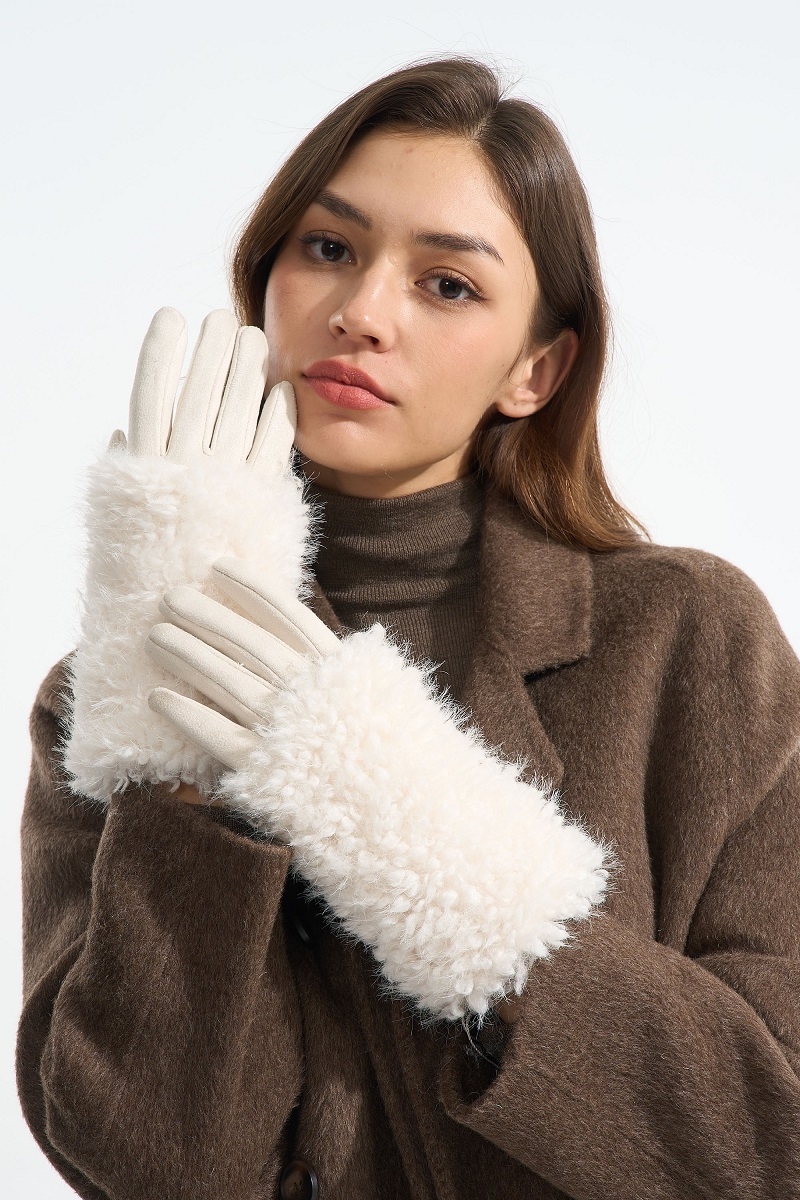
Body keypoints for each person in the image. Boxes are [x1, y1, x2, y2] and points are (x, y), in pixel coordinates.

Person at [17, 56, 800, 1200]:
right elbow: (145, 1160)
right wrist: (178, 771)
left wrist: (418, 835)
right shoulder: (118, 684)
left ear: (536, 367)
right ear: (266, 280)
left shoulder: (689, 642)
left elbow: (767, 1139)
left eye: (446, 284)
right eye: (328, 249)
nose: (361, 313)